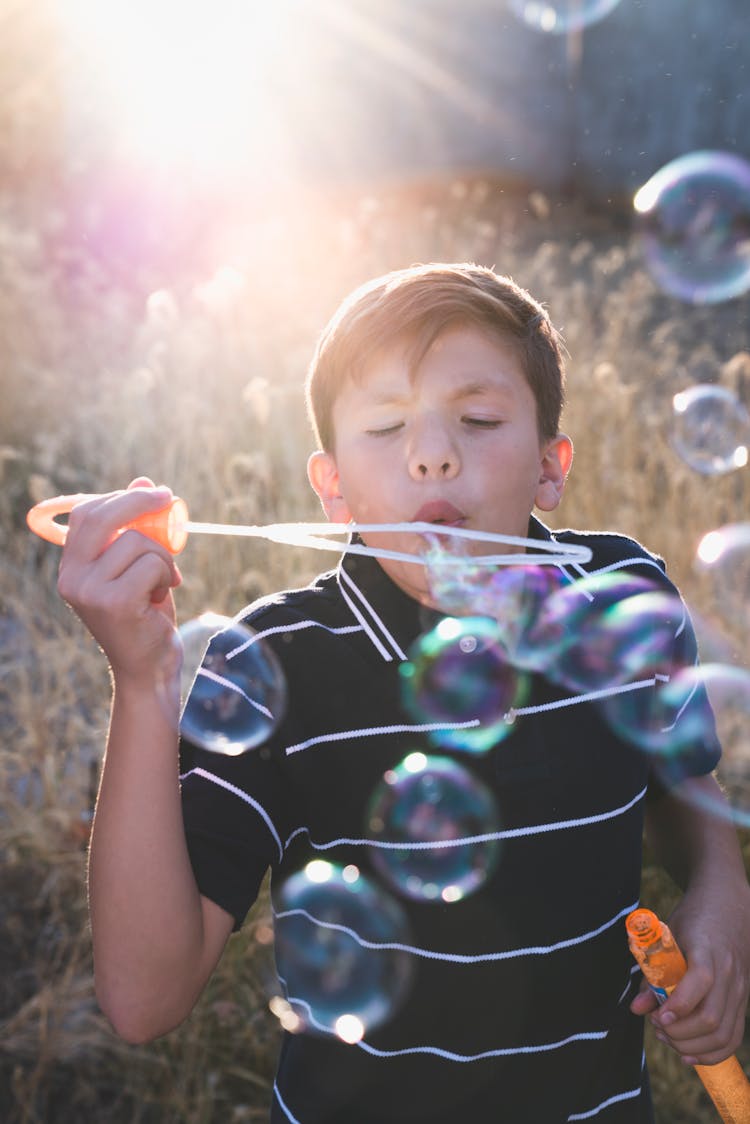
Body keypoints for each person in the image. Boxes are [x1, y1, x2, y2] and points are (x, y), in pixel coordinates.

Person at [57, 263, 750, 1123]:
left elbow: (687, 790)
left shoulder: (624, 594)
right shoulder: (278, 664)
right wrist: (142, 678)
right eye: (386, 425)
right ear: (333, 485)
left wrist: (722, 902)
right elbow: (144, 997)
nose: (433, 452)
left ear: (549, 467)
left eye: (479, 418)